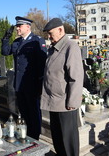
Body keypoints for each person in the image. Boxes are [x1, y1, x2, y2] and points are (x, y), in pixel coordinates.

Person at [41, 18, 84, 156]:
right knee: (58, 137)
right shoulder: (53, 48)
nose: (49, 37)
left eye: (50, 33)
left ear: (60, 30)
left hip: (65, 103)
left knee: (68, 140)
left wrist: (72, 102)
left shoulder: (70, 47)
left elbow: (76, 77)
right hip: (53, 100)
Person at [2, 16, 47, 140]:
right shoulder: (17, 42)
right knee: (24, 112)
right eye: (17, 26)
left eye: (19, 26)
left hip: (32, 85)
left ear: (28, 27)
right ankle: (26, 135)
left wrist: (39, 85)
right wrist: (6, 38)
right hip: (19, 84)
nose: (17, 28)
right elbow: (5, 52)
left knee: (34, 113)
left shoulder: (37, 40)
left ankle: (35, 138)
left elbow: (42, 64)